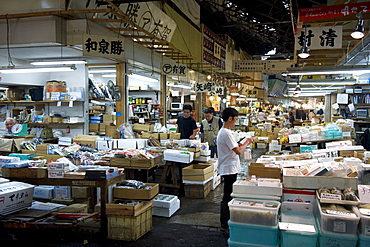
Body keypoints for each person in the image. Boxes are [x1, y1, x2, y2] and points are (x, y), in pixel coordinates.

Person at [217, 108, 254, 235]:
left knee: (228, 194)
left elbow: (234, 147)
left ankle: (226, 222)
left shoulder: (224, 132)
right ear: (230, 119)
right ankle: (224, 225)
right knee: (227, 196)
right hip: (228, 168)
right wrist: (248, 142)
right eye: (235, 119)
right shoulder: (226, 133)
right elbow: (238, 151)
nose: (235, 122)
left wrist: (241, 143)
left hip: (229, 167)